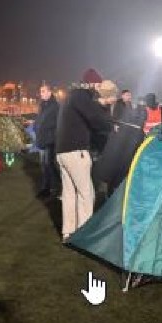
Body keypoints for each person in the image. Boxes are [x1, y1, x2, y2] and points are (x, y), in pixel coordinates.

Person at [56, 77, 118, 243]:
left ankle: (68, 232)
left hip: (62, 152)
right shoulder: (81, 96)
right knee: (86, 193)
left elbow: (91, 117)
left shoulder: (72, 96)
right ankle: (85, 235)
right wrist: (111, 126)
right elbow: (95, 119)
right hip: (76, 151)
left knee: (69, 194)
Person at [35, 84, 60, 198]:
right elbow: (39, 120)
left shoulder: (55, 106)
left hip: (50, 140)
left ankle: (54, 188)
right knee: (44, 165)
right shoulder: (42, 105)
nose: (41, 94)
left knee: (49, 164)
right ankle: (46, 188)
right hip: (42, 139)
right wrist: (36, 127)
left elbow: (57, 123)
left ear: (50, 92)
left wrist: (47, 129)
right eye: (41, 91)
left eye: (43, 91)